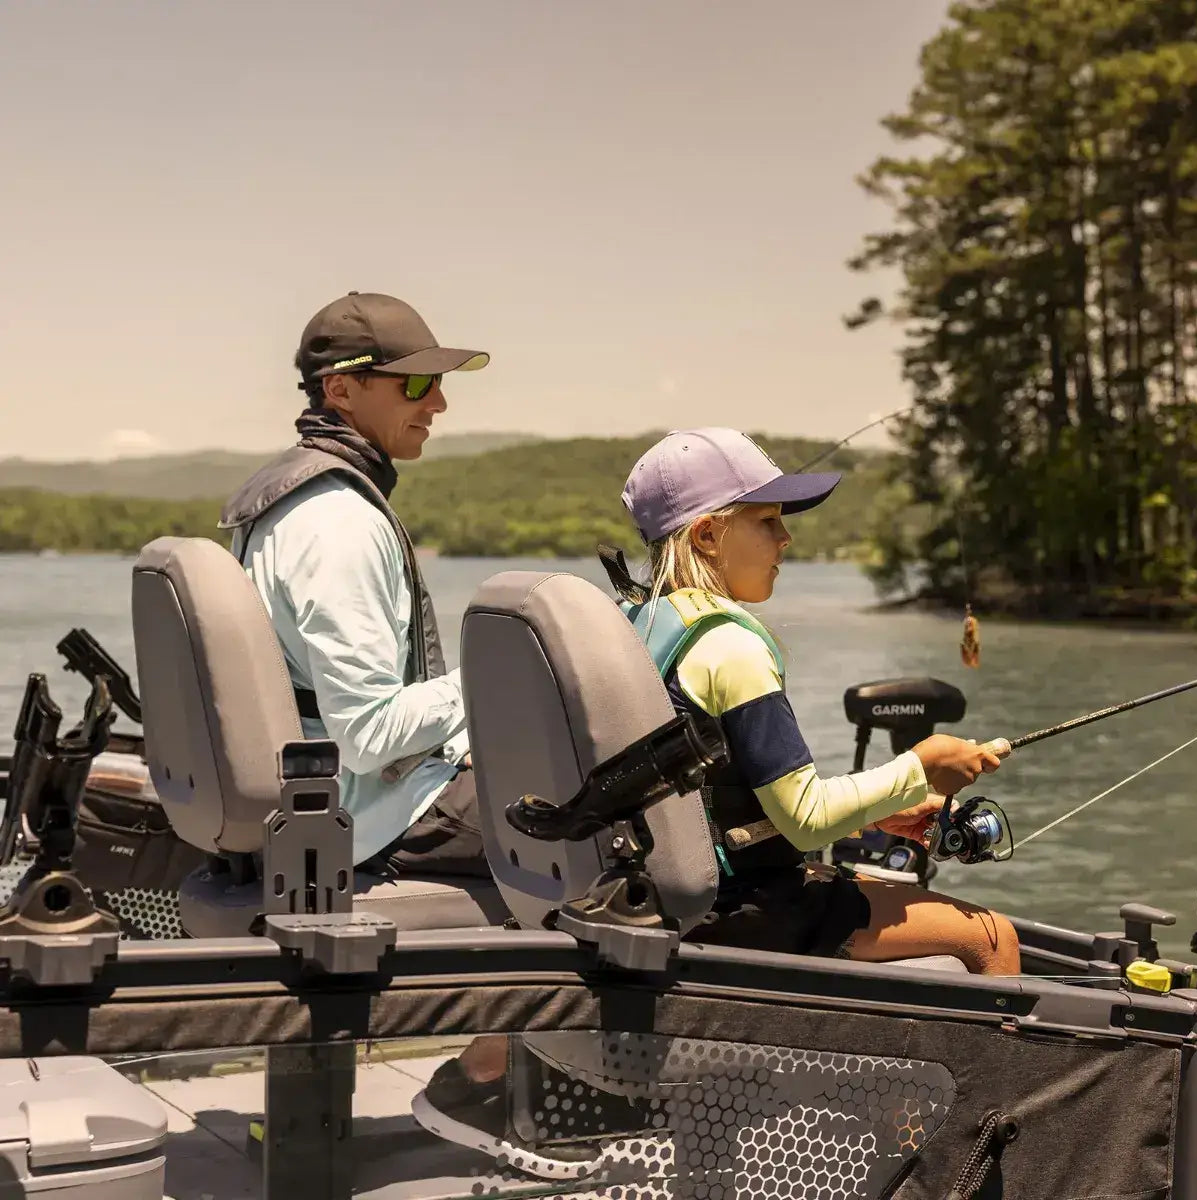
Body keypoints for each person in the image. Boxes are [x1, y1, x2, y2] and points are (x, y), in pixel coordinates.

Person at [221, 291, 536, 1151]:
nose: (439, 403)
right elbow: (365, 733)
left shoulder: (287, 500)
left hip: (344, 800)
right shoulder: (338, 523)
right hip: (369, 816)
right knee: (623, 834)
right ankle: (493, 1087)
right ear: (344, 389)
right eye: (417, 386)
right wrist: (508, 674)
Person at [608, 427, 1021, 975]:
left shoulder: (634, 625)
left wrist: (870, 818)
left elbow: (709, 801)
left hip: (670, 898)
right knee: (995, 940)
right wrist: (922, 768)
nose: (786, 539)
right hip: (747, 909)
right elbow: (805, 820)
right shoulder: (730, 646)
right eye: (767, 521)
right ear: (707, 536)